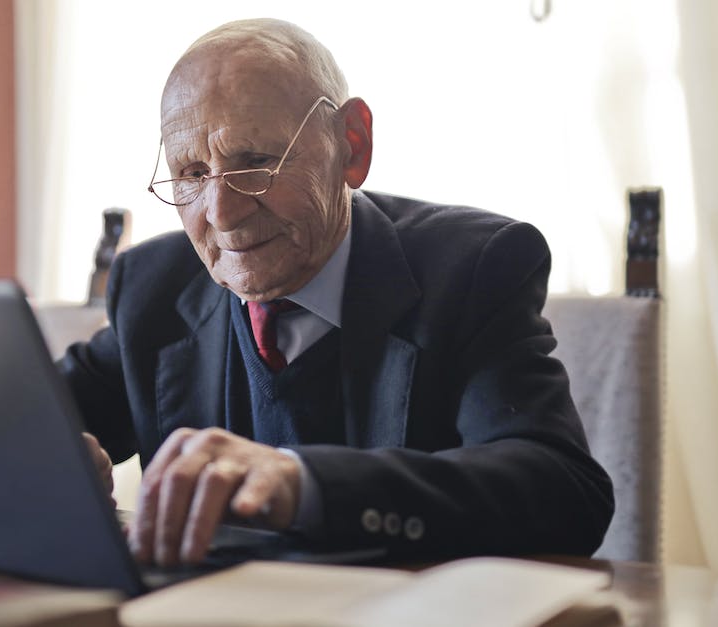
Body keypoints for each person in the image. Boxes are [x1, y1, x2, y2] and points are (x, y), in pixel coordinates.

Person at [63, 18, 613, 567]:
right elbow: (31, 415)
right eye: (190, 173)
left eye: (255, 161)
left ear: (351, 146)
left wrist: (303, 484)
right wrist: (43, 457)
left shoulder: (472, 270)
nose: (222, 215)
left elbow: (563, 493)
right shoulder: (156, 287)